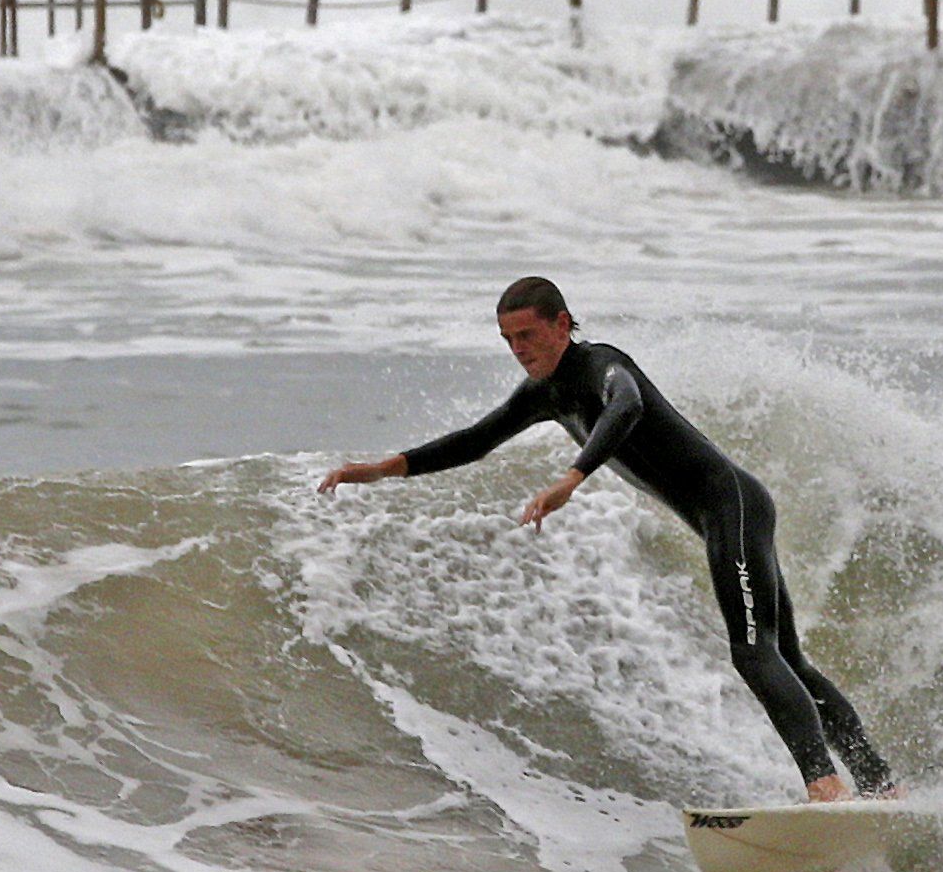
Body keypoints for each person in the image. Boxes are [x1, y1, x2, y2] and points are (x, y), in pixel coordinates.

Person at [321, 277, 898, 804]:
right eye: (508, 339)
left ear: (562, 323)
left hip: (735, 506)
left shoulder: (603, 365)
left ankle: (824, 784)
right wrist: (378, 469)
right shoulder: (540, 394)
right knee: (785, 657)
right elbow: (474, 441)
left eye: (528, 334)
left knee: (753, 652)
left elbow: (628, 405)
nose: (519, 348)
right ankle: (878, 784)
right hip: (727, 515)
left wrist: (573, 477)